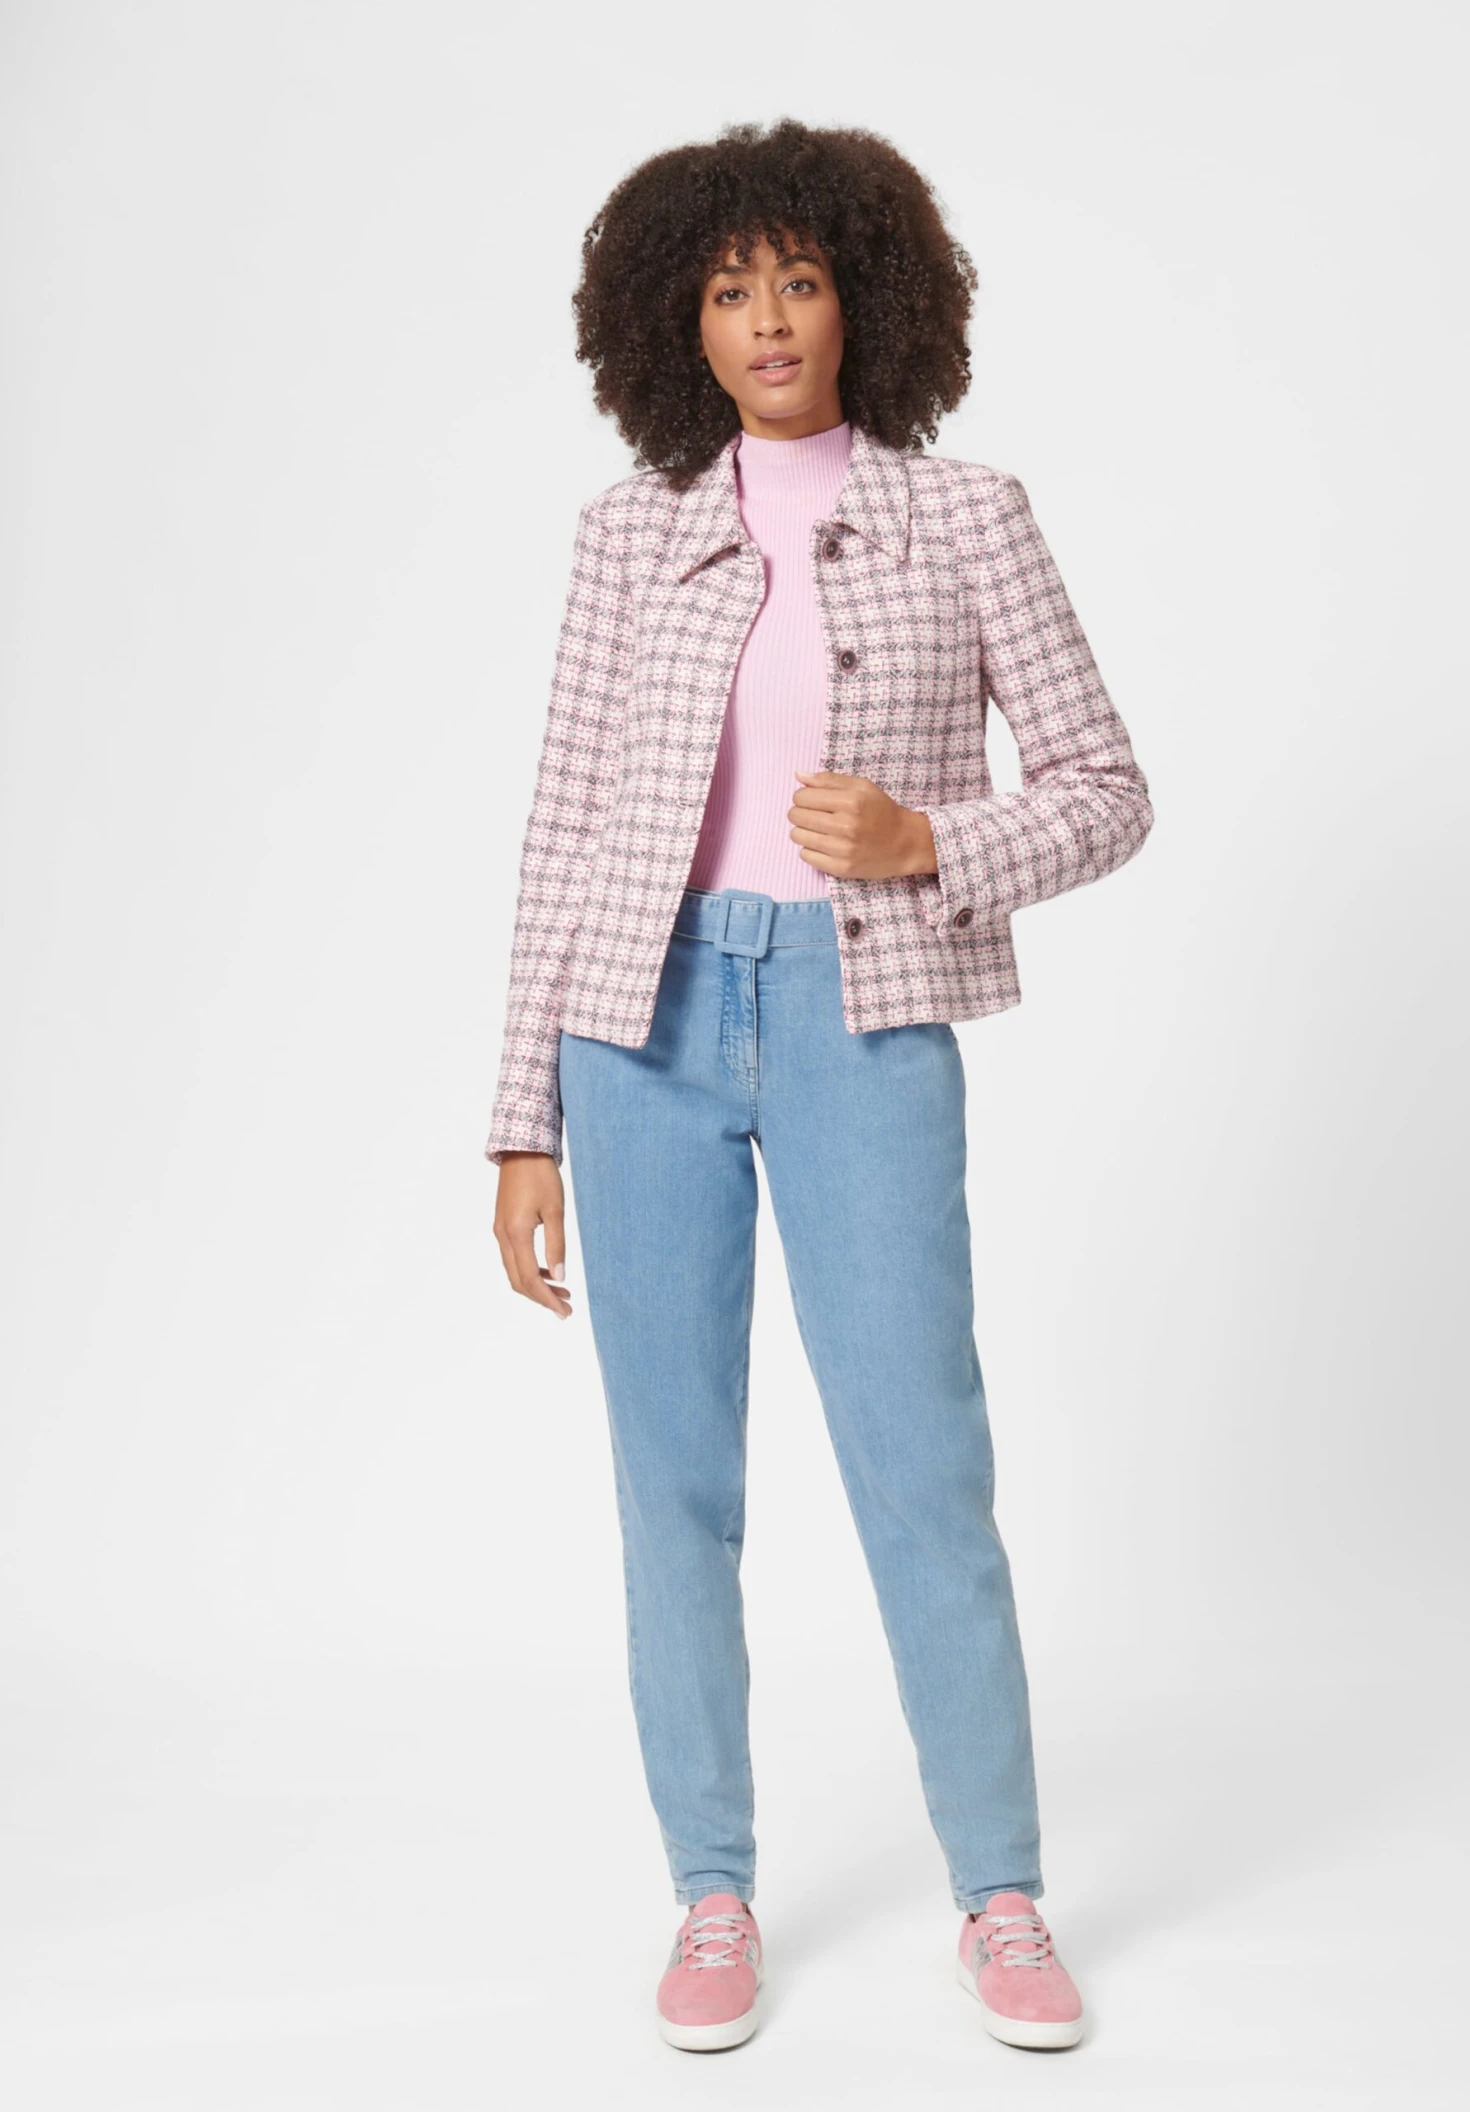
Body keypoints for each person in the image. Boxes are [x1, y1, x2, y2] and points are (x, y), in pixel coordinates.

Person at [486, 118, 1153, 2055]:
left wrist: (931, 837)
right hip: (641, 1028)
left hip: (868, 1020)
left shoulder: (973, 516)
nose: (768, 318)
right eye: (727, 288)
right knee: (672, 1483)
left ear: (867, 296)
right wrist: (522, 1117)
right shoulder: (624, 537)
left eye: (799, 278)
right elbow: (562, 831)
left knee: (925, 1469)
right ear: (674, 323)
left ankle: (1000, 1895)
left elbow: (1110, 788)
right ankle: (712, 1893)